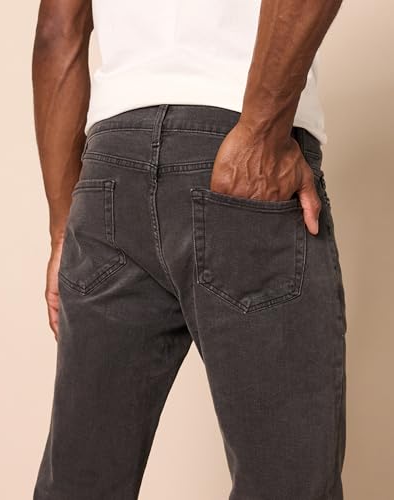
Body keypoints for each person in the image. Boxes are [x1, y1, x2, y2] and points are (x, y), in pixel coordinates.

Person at [32, 0, 347, 498]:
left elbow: (57, 30)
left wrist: (61, 229)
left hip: (109, 170)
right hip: (235, 136)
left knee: (80, 483)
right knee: (286, 482)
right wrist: (262, 135)